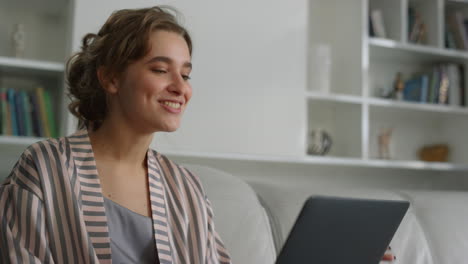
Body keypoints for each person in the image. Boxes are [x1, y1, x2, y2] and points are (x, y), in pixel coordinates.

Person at [0, 6, 231, 264]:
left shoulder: (188, 188)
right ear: (111, 78)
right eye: (160, 70)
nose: (181, 88)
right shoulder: (45, 167)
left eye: (186, 74)